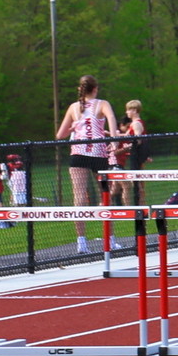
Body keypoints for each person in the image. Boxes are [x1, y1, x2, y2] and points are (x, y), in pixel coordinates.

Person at [55, 75, 118, 253]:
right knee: (105, 195)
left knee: (79, 195)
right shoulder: (102, 104)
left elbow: (60, 135)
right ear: (95, 89)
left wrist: (73, 128)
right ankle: (110, 240)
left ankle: (81, 242)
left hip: (78, 153)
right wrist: (114, 141)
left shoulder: (73, 107)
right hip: (98, 153)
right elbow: (112, 119)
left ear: (80, 89)